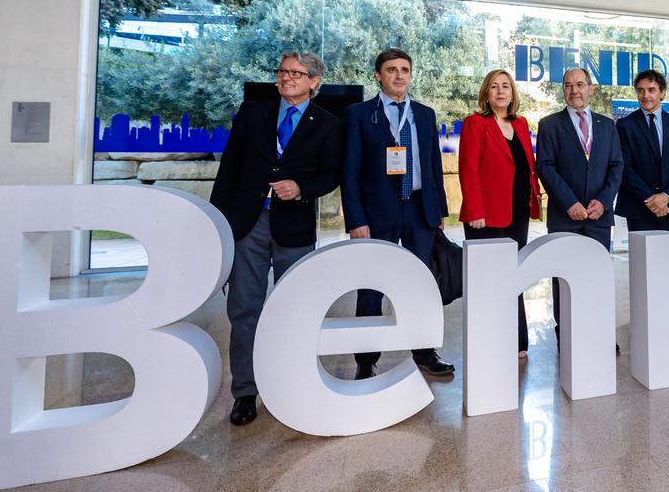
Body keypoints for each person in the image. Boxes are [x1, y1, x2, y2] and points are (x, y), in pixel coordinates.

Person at [211, 51, 343, 426]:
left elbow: (330, 175)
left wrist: (300, 187)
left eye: (296, 73)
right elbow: (229, 169)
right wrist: (219, 224)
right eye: (283, 71)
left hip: (294, 229)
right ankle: (246, 392)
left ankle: (291, 384)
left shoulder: (329, 125)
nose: (287, 78)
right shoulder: (253, 113)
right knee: (244, 309)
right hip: (248, 224)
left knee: (295, 308)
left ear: (314, 81)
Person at [341, 48, 454, 380]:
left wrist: (440, 211)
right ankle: (366, 357)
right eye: (392, 70)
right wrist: (356, 219)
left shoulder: (424, 113)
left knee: (420, 282)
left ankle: (423, 350)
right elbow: (348, 171)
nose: (399, 75)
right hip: (377, 213)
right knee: (372, 283)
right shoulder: (359, 115)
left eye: (405, 69)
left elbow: (433, 165)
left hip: (420, 208)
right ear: (379, 75)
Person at [535, 67, 624, 347]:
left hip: (598, 216)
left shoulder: (607, 125)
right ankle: (568, 335)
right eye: (569, 85)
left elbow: (616, 166)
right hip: (565, 216)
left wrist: (604, 201)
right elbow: (545, 167)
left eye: (580, 85)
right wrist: (569, 202)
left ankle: (599, 333)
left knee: (597, 276)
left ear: (591, 89)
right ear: (563, 90)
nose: (575, 90)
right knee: (565, 277)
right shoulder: (549, 124)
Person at [458, 69, 541, 360]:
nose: (500, 91)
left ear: (512, 93)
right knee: (487, 281)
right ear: (487, 93)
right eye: (494, 86)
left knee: (512, 276)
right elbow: (468, 169)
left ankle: (517, 339)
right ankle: (488, 339)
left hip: (517, 213)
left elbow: (525, 167)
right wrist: (475, 210)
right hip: (486, 216)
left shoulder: (520, 124)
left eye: (506, 86)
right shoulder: (475, 123)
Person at [615, 69, 669, 336]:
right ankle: (644, 322)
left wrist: (667, 196)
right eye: (640, 91)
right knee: (643, 270)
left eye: (651, 90)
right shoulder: (624, 126)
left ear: (662, 93)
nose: (645, 96)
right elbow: (624, 167)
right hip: (639, 207)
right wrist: (650, 198)